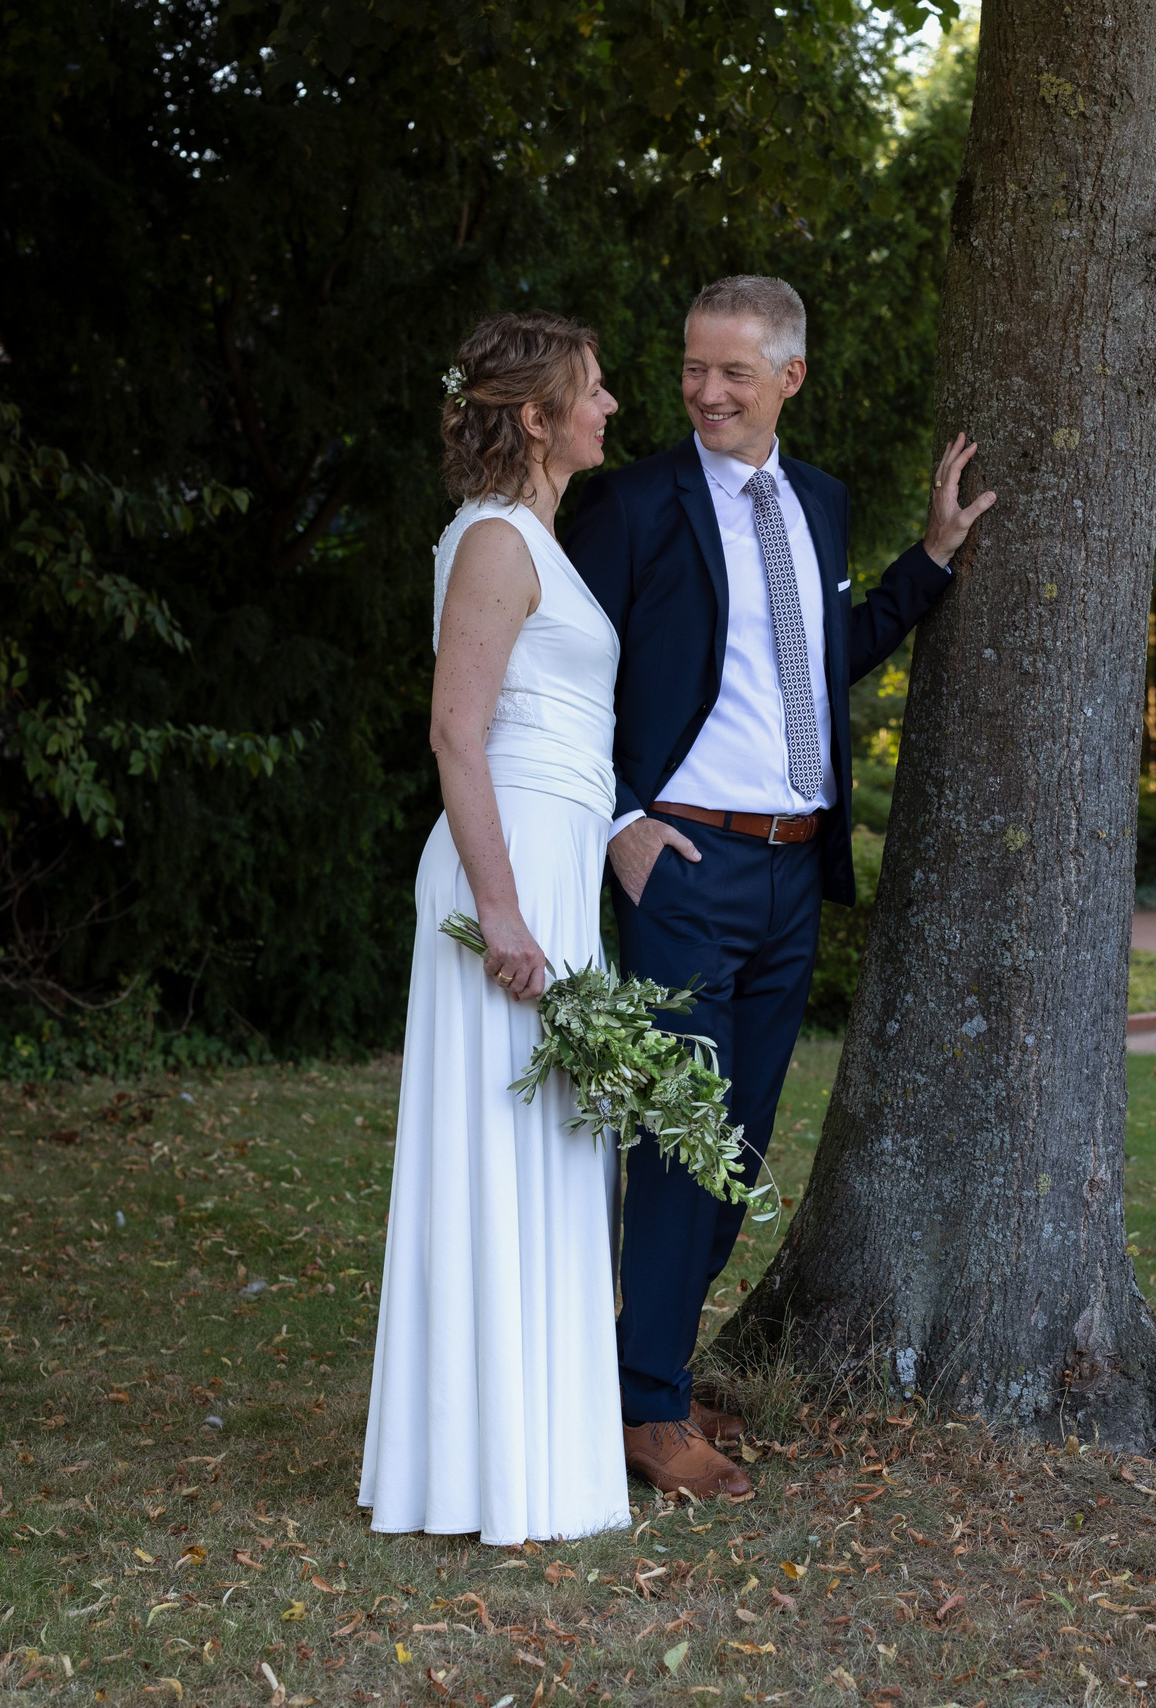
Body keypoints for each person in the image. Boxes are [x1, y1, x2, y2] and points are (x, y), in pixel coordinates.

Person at [565, 275, 997, 1498]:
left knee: (737, 1149)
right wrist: (618, 822)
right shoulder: (628, 504)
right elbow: (560, 671)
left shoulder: (818, 500)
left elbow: (820, 657)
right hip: (683, 868)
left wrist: (930, 560)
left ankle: (641, 1368)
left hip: (793, 869)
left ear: (788, 378)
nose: (705, 392)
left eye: (733, 373)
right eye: (692, 368)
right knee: (679, 1142)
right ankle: (650, 1413)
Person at [359, 313, 629, 1545]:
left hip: (552, 868)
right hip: (502, 876)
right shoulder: (493, 540)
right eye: (592, 388)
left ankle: (536, 1457)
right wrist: (503, 908)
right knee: (495, 1153)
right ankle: (476, 1469)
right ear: (533, 416)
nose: (609, 405)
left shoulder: (536, 537)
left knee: (552, 1151)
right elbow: (455, 732)